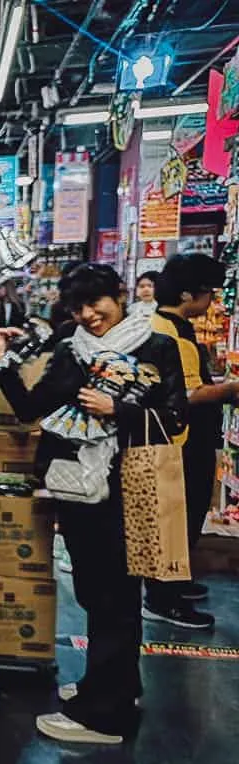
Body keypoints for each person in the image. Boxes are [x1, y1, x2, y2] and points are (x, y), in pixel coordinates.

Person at [0, 263, 186, 745]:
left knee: (114, 598)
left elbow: (176, 416)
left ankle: (104, 716)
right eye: (78, 308)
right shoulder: (71, 352)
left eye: (95, 302)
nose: (88, 315)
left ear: (119, 294)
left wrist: (116, 409)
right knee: (97, 594)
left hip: (130, 487)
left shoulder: (155, 345)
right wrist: (0, 360)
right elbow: (30, 408)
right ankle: (116, 686)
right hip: (79, 492)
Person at [143, 253, 232, 628]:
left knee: (182, 517)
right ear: (186, 295)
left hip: (180, 438)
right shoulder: (171, 334)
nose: (211, 301)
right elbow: (190, 394)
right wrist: (231, 389)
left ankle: (175, 583)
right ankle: (164, 599)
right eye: (208, 293)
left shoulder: (171, 324)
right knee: (177, 518)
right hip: (179, 441)